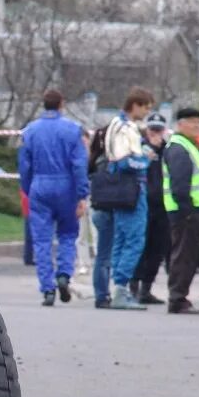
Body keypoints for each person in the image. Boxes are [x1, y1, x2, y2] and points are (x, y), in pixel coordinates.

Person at [19, 88, 89, 306]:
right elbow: (79, 165)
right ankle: (64, 274)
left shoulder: (30, 131)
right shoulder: (73, 130)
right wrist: (82, 194)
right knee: (68, 234)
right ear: (62, 104)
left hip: (40, 184)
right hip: (66, 185)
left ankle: (47, 289)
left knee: (41, 240)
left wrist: (29, 188)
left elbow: (24, 165)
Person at [162, 107, 199, 315]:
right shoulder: (179, 148)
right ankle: (177, 298)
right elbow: (180, 185)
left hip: (192, 211)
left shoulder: (188, 146)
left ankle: (179, 296)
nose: (197, 126)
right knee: (184, 256)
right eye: (192, 121)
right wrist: (189, 211)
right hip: (186, 212)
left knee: (188, 256)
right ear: (180, 124)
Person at [104, 87, 154, 310]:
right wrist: (146, 160)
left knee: (121, 239)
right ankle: (121, 288)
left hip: (120, 191)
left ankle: (118, 285)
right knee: (134, 239)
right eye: (145, 107)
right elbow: (125, 162)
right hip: (132, 189)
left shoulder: (115, 124)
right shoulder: (125, 128)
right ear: (135, 105)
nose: (146, 113)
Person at [130, 112, 170, 305]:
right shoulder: (138, 147)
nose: (155, 134)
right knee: (140, 246)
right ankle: (133, 287)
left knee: (157, 248)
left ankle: (147, 288)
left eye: (158, 130)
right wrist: (150, 150)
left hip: (163, 204)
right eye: (152, 129)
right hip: (143, 202)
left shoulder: (168, 150)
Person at [87, 125, 114, 308]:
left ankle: (103, 292)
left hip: (98, 210)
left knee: (103, 254)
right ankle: (101, 294)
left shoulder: (94, 160)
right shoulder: (106, 162)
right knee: (104, 255)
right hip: (105, 210)